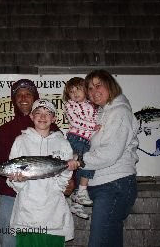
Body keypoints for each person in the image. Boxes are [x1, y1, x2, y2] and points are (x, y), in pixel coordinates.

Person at [0, 79, 61, 247]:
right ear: (14, 100)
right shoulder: (4, 130)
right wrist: (9, 180)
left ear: (35, 97)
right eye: (18, 95)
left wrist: (70, 180)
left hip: (44, 199)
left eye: (28, 94)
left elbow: (62, 160)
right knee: (9, 241)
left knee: (40, 243)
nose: (23, 98)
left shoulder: (53, 129)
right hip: (11, 198)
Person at [6, 99, 75, 247]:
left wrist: (67, 172)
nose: (42, 117)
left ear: (54, 118)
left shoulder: (63, 143)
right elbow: (15, 184)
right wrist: (17, 180)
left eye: (47, 113)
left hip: (54, 213)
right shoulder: (20, 141)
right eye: (38, 113)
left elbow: (65, 178)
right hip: (27, 213)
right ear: (31, 116)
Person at [82, 70, 139, 247]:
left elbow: (110, 153)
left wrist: (79, 160)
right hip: (104, 186)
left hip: (114, 184)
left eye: (98, 85)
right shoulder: (103, 113)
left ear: (110, 85)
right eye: (90, 88)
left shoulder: (120, 111)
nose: (93, 91)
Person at [63, 77, 101, 217]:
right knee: (79, 165)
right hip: (76, 138)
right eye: (72, 91)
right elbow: (75, 121)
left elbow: (99, 119)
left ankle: (77, 202)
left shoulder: (93, 105)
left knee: (85, 166)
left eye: (78, 89)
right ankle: (79, 192)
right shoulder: (70, 105)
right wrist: (93, 127)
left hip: (89, 141)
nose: (75, 93)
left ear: (85, 89)